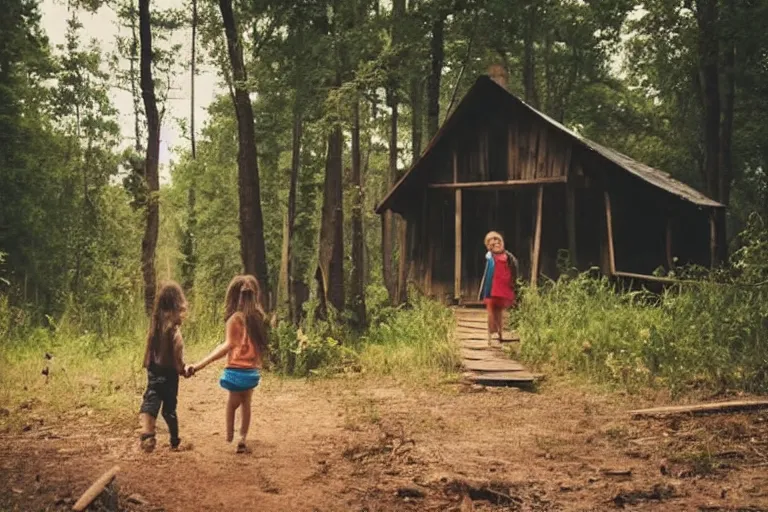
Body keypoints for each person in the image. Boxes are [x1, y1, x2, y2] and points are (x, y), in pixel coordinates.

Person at [189, 275, 267, 453]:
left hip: (234, 372)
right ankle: (242, 437)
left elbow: (228, 345)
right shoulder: (258, 318)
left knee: (232, 403)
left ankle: (229, 434)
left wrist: (201, 364)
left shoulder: (234, 319)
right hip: (251, 373)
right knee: (247, 402)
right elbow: (261, 348)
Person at [139, 281, 190, 452]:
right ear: (177, 304)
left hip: (154, 370)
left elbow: (149, 346)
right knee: (169, 408)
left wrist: (147, 363)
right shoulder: (174, 329)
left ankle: (147, 434)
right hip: (169, 374)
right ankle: (175, 440)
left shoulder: (156, 323)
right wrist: (181, 367)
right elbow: (177, 348)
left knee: (151, 399)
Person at [478, 231, 518, 345]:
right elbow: (487, 273)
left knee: (499, 312)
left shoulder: (508, 256)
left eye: (498, 241)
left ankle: (500, 333)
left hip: (504, 286)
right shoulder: (490, 257)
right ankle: (491, 335)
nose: (496, 243)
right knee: (491, 311)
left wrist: (514, 283)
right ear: (489, 245)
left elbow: (514, 268)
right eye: (492, 241)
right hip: (492, 287)